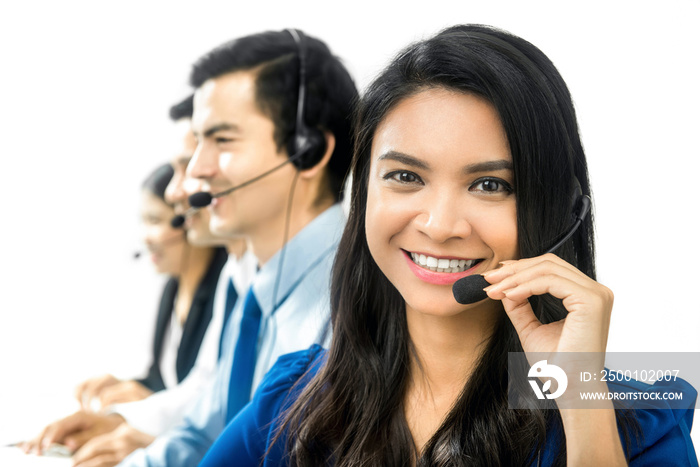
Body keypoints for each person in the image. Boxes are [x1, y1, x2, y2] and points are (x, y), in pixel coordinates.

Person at [198, 24, 698, 466]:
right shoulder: (295, 394)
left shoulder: (639, 408)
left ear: (558, 207)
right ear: (363, 190)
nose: (439, 226)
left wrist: (576, 392)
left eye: (489, 185)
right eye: (405, 175)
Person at [118, 29, 357, 466]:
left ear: (307, 151)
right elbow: (204, 430)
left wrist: (530, 361)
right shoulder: (256, 287)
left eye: (222, 140)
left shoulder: (360, 294)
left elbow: (524, 416)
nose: (196, 170)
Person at [53, 96, 258, 467]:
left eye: (156, 219)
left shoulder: (239, 278)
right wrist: (123, 415)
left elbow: (226, 410)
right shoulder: (230, 277)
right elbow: (205, 389)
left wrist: (139, 424)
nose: (180, 194)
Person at [21, 127, 231, 460]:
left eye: (155, 220)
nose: (146, 236)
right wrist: (127, 387)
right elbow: (174, 381)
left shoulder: (227, 285)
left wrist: (140, 406)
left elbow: (214, 397)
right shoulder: (173, 290)